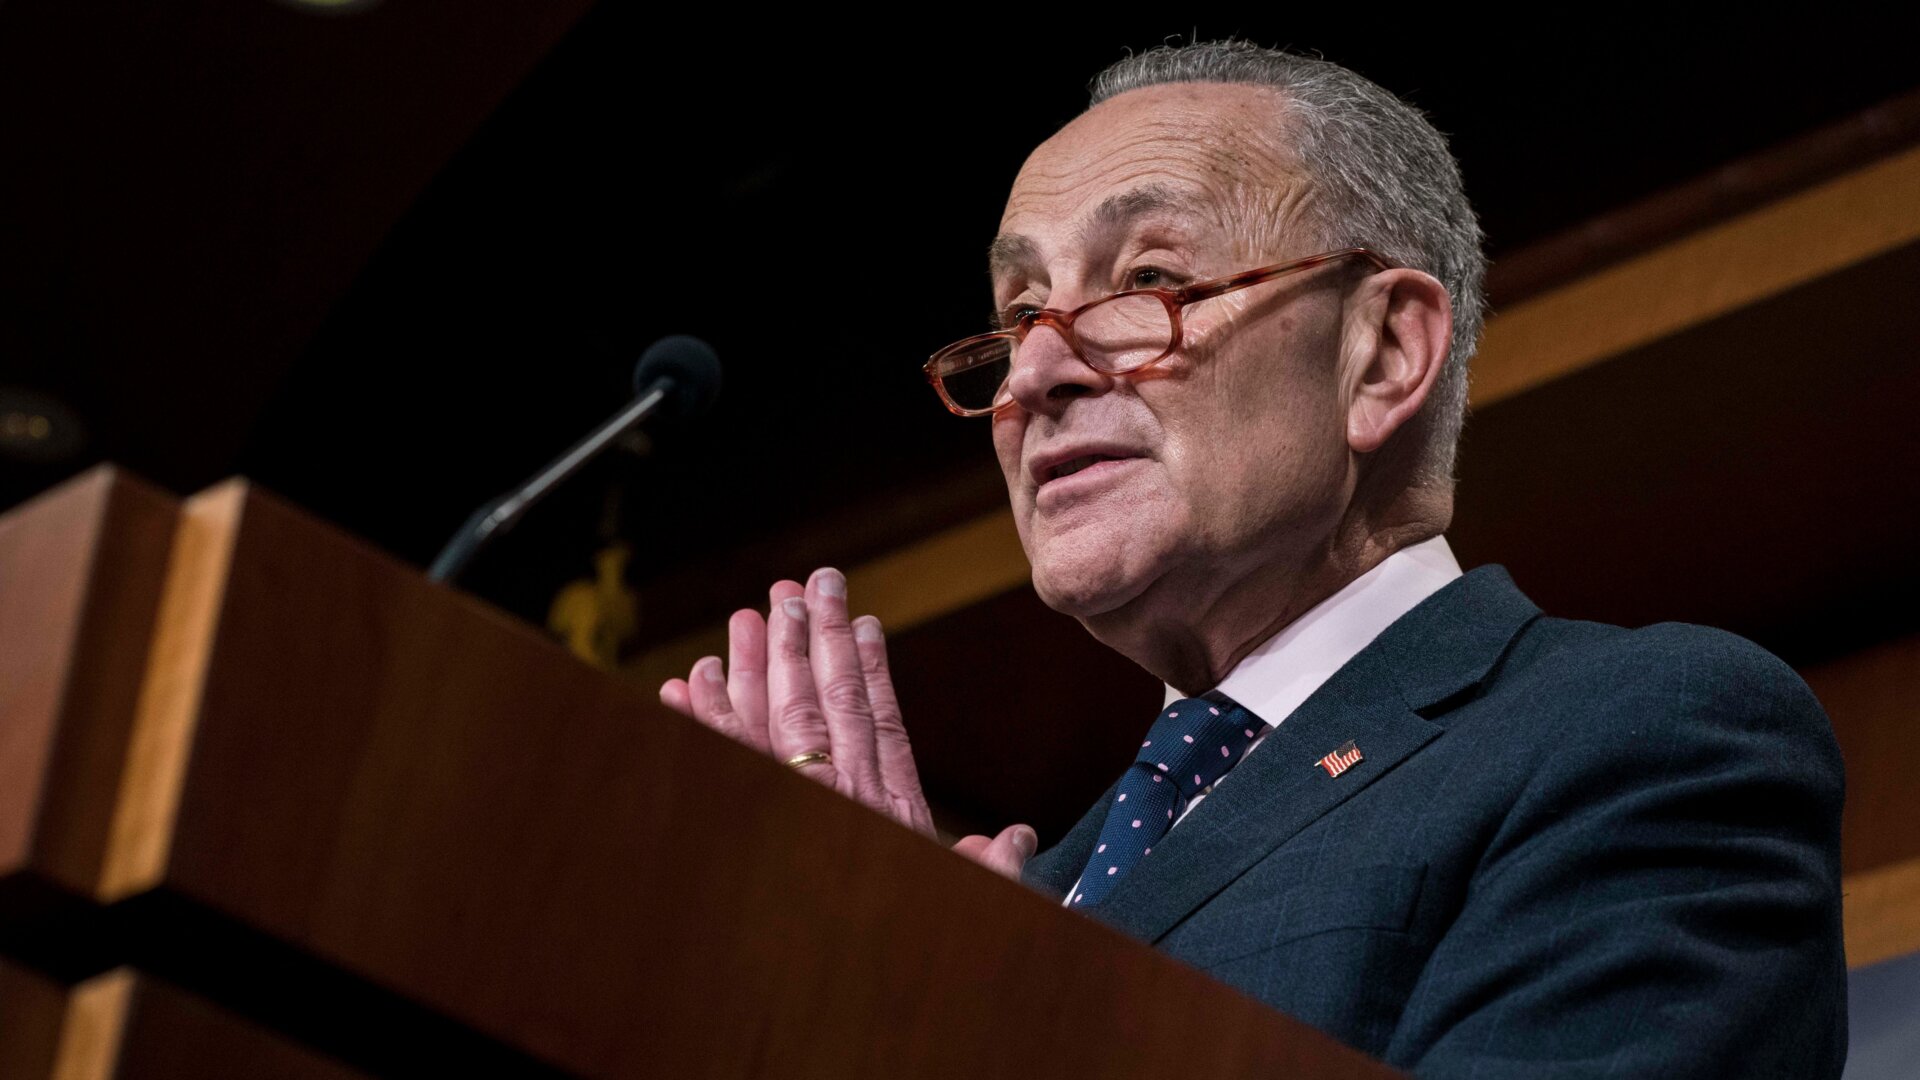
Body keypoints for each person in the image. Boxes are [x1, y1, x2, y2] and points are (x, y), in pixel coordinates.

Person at [658, 41, 1846, 1077]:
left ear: (1382, 353)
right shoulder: (1021, 894)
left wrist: (934, 1018)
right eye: (1019, 316)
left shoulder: (1643, 739)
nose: (1032, 377)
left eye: (1149, 283)